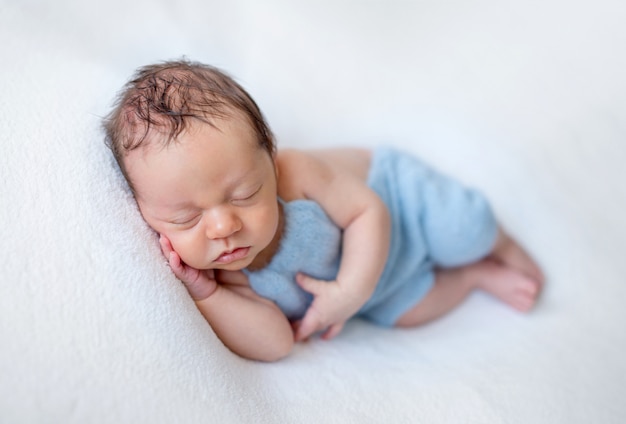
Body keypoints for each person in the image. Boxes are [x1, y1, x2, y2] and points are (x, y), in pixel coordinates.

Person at [103, 59, 544, 362]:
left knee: (462, 230)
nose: (223, 226)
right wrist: (208, 295)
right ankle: (472, 278)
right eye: (185, 219)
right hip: (374, 286)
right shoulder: (222, 271)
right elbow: (276, 343)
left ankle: (499, 242)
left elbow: (367, 212)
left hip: (396, 203)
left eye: (243, 194)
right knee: (408, 313)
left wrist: (349, 293)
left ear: (269, 159)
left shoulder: (296, 172)